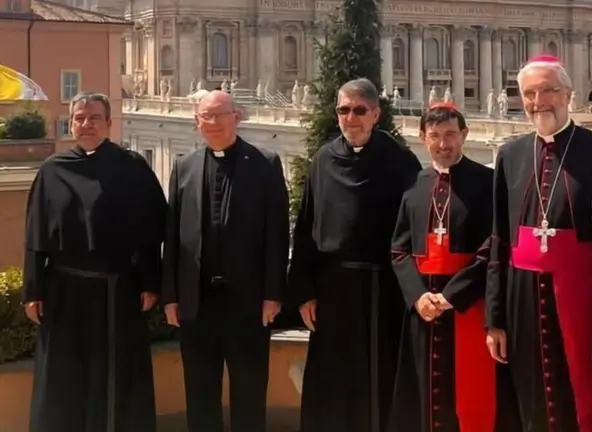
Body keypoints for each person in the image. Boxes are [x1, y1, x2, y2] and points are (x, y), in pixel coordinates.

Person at [485, 55, 592, 431]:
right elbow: (498, 240)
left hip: (584, 294)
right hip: (523, 300)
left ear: (568, 94)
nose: (539, 101)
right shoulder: (510, 155)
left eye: (549, 90)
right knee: (532, 388)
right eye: (530, 93)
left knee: (586, 391)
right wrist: (495, 319)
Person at [22, 92, 167, 432]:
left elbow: (150, 230)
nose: (86, 124)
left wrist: (149, 281)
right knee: (64, 376)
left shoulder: (132, 168)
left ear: (109, 123)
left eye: (94, 118)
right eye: (80, 118)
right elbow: (35, 236)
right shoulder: (52, 171)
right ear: (70, 123)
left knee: (117, 376)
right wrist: (33, 289)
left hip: (117, 292)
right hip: (64, 293)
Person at [288, 77, 422, 432]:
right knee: (332, 383)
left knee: (379, 379)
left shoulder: (400, 161)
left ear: (376, 114)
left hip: (383, 292)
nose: (351, 118)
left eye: (359, 110)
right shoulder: (322, 160)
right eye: (343, 110)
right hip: (332, 291)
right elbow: (305, 228)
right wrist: (305, 292)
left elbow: (413, 229)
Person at [161, 90, 290, 432]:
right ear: (197, 121)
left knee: (249, 394)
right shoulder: (183, 167)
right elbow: (172, 235)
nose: (214, 122)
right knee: (200, 395)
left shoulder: (265, 163)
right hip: (197, 303)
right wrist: (171, 295)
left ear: (237, 117)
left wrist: (273, 294)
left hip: (248, 304)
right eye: (207, 116)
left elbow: (278, 236)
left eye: (221, 114)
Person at [388, 103, 519, 432]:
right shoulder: (414, 186)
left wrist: (448, 298)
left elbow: (491, 248)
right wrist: (418, 297)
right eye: (434, 136)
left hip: (468, 308)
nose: (443, 144)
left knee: (471, 396)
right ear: (422, 138)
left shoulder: (487, 183)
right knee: (424, 396)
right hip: (423, 313)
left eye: (450, 135)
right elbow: (398, 250)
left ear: (464, 135)